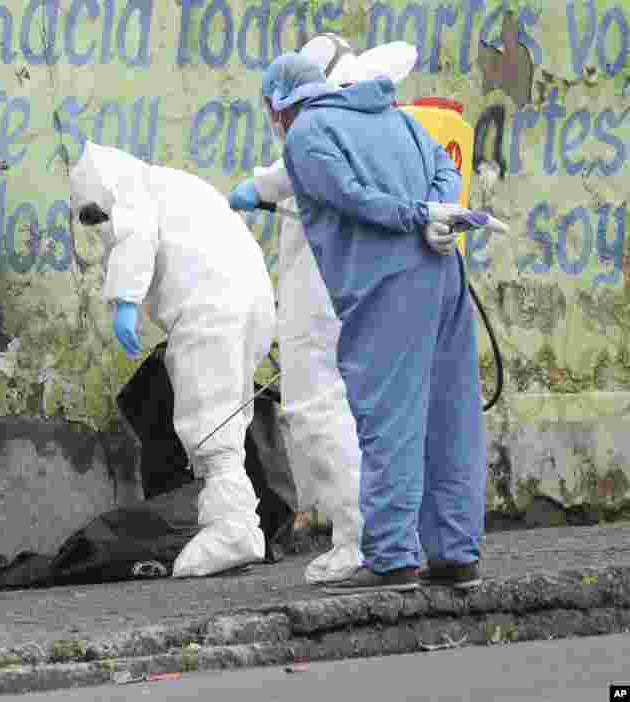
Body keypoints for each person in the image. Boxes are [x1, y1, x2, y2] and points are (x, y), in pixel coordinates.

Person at [257, 52, 508, 594]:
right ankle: (454, 553)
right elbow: (444, 165)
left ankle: (394, 558)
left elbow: (348, 194)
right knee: (450, 415)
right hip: (445, 276)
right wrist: (442, 210)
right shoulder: (398, 118)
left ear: (277, 106)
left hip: (386, 285)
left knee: (389, 420)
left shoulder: (306, 134)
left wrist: (418, 215)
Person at [228, 35, 419, 585]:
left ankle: (358, 536)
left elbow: (297, 165)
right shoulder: (379, 119)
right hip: (370, 285)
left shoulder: (320, 128)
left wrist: (256, 187)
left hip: (321, 289)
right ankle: (391, 535)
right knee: (371, 412)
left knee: (317, 408)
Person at [70, 141, 277, 578]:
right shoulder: (176, 185)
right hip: (252, 305)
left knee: (207, 421)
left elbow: (134, 237)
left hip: (210, 309)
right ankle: (234, 521)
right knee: (228, 414)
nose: (99, 225)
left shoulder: (130, 192)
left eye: (96, 215)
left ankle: (233, 527)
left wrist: (124, 300)